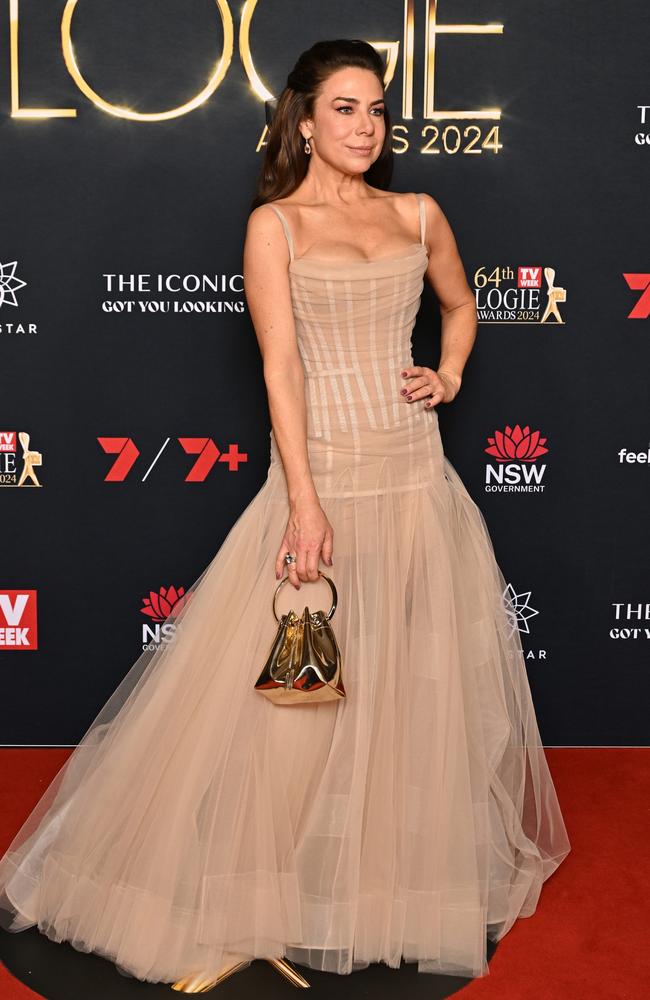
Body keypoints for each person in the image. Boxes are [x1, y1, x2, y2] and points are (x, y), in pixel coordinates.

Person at [0, 38, 571, 992]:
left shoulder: (419, 212)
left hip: (415, 476)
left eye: (377, 109)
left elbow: (462, 307)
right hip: (327, 482)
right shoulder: (277, 227)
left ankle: (365, 882)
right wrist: (303, 502)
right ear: (303, 122)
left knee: (403, 690)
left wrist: (452, 372)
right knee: (290, 707)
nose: (365, 126)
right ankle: (238, 903)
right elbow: (281, 369)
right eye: (344, 108)